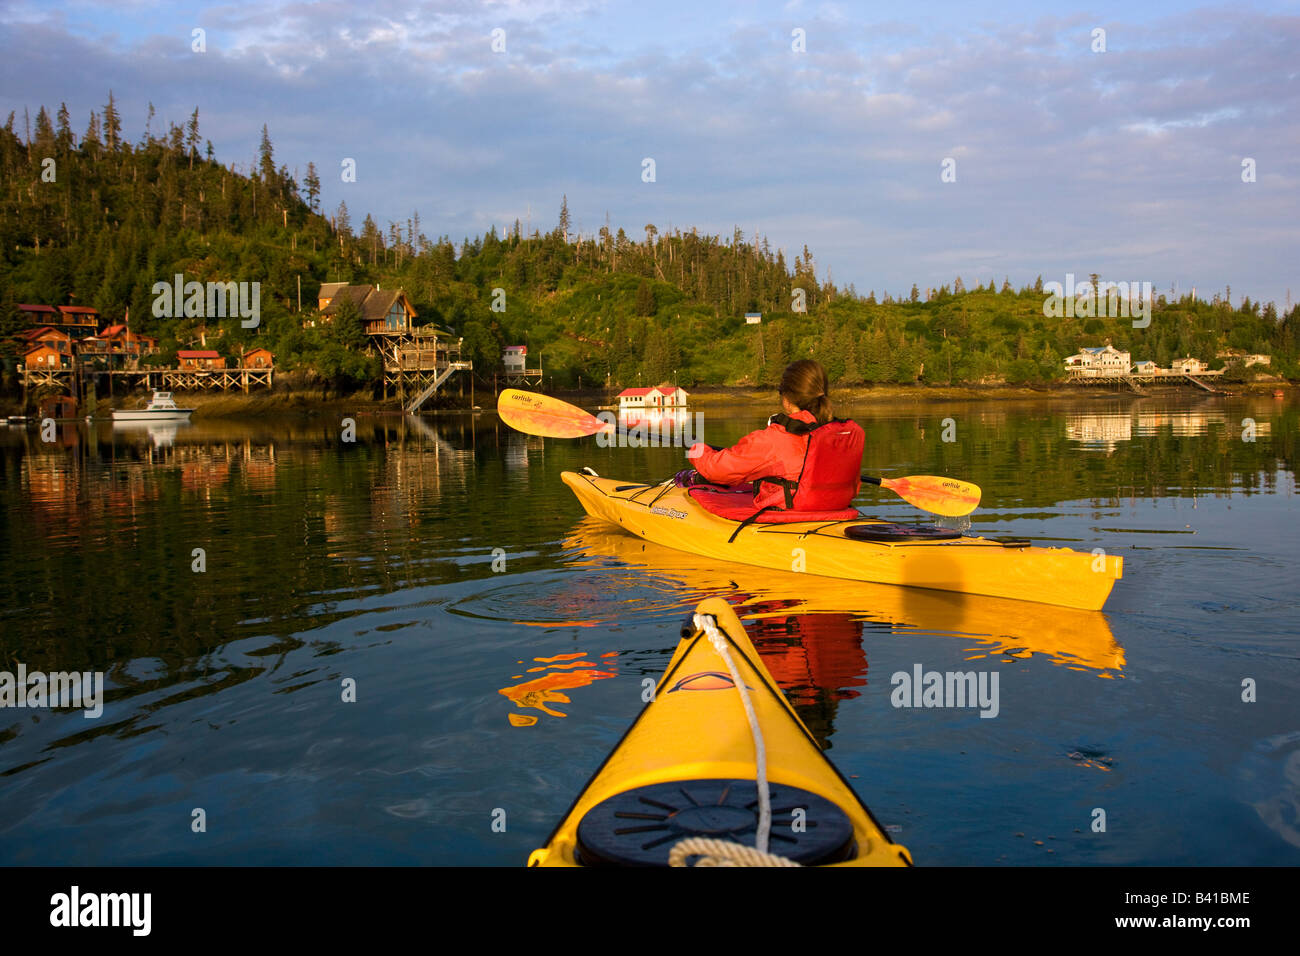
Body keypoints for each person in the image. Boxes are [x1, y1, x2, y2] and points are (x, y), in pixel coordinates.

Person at [679, 359, 865, 512]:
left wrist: (697, 450)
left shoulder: (776, 439)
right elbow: (855, 487)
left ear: (787, 398)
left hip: (792, 515)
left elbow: (718, 470)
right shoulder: (841, 434)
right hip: (835, 511)